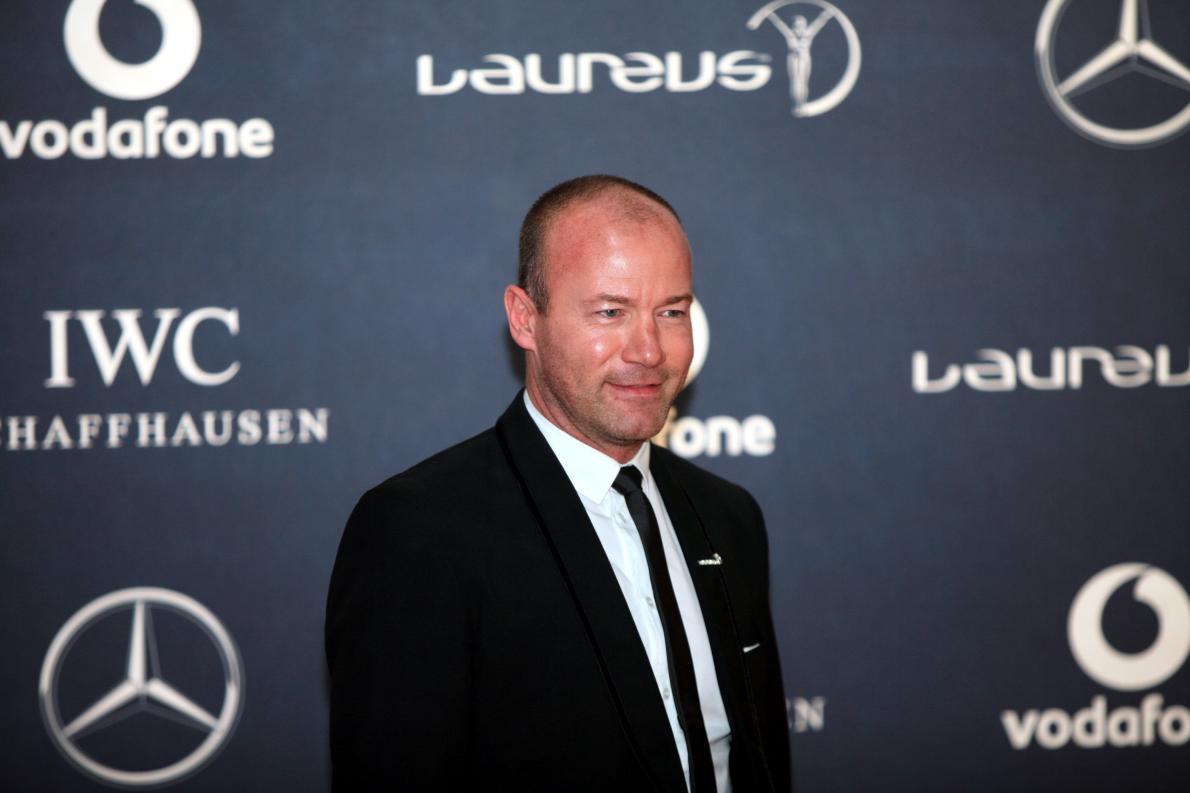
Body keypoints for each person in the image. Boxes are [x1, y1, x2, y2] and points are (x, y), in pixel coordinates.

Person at [326, 175, 791, 792]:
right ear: (525, 319)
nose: (649, 350)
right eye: (610, 312)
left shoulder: (728, 516)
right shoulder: (419, 533)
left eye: (671, 313)